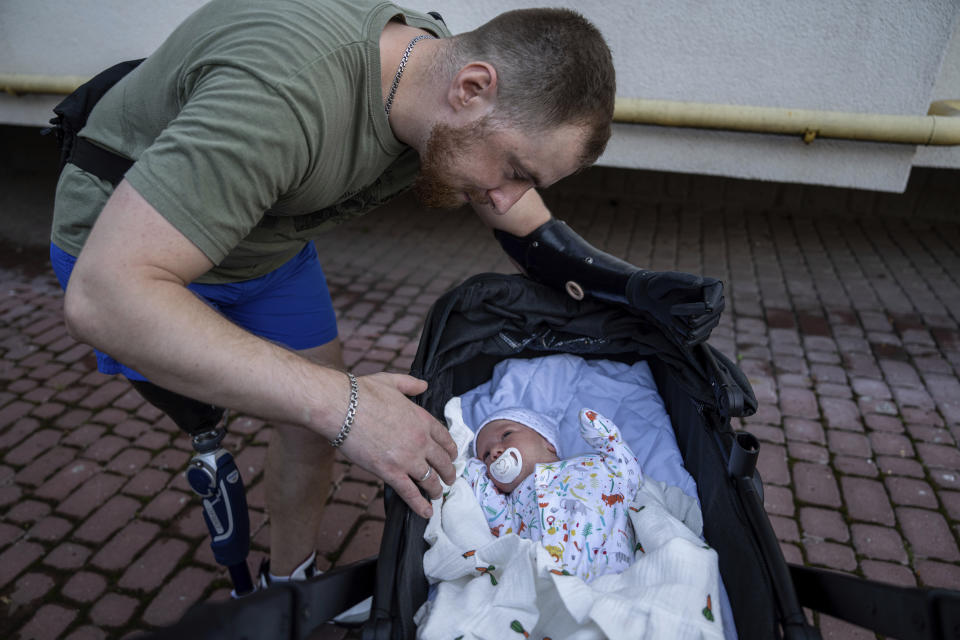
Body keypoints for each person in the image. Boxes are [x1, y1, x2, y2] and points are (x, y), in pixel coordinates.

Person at [49, 0, 720, 584]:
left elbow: (519, 221)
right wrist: (349, 408)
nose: (507, 197)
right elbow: (106, 295)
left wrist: (626, 285)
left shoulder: (432, 75)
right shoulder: (286, 94)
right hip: (130, 240)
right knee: (317, 403)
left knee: (310, 426)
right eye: (515, 169)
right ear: (473, 87)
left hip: (264, 241)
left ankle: (288, 581)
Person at [465, 407, 641, 582]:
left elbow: (628, 474)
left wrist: (607, 438)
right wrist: (471, 464)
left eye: (506, 435)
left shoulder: (591, 464)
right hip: (551, 581)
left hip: (612, 566)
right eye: (486, 455)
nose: (495, 451)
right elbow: (486, 499)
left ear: (547, 442)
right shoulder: (509, 508)